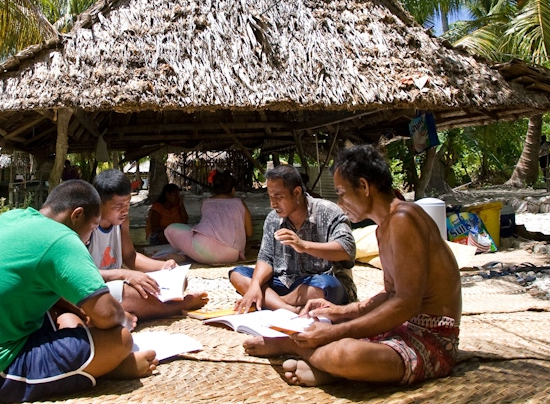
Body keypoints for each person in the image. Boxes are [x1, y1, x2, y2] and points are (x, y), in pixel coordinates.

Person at [243, 145, 462, 388]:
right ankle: (331, 368)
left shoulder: (403, 219)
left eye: (341, 193)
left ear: (364, 187)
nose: (339, 202)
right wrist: (340, 312)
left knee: (348, 353)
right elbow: (391, 294)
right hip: (400, 328)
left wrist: (337, 332)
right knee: (332, 329)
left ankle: (294, 346)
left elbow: (406, 304)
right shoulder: (384, 227)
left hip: (430, 339)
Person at [0, 180, 157, 404]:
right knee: (120, 340)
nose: (89, 239)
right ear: (76, 215)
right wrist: (124, 319)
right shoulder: (62, 239)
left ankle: (96, 364)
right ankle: (111, 368)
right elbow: (108, 314)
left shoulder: (11, 218)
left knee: (63, 317)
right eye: (91, 229)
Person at [230, 165, 356, 314]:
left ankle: (273, 302)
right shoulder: (273, 219)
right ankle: (290, 309)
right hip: (283, 282)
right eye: (270, 197)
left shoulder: (328, 211)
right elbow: (266, 257)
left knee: (327, 286)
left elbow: (347, 249)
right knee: (238, 274)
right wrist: (255, 285)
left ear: (297, 192)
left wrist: (303, 246)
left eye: (279, 197)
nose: (273, 204)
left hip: (318, 283)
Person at [89, 169, 207, 320]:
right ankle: (176, 308)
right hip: (98, 288)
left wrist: (162, 267)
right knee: (128, 294)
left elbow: (130, 256)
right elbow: (83, 275)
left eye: (128, 204)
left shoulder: (122, 221)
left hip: (118, 282)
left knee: (178, 280)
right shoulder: (87, 226)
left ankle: (131, 312)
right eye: (118, 206)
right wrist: (126, 274)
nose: (125, 211)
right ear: (99, 203)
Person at [165, 171, 253, 264]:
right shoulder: (240, 203)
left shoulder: (206, 203)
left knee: (171, 228)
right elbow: (249, 233)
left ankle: (186, 255)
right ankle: (186, 256)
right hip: (231, 255)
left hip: (204, 251)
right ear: (233, 189)